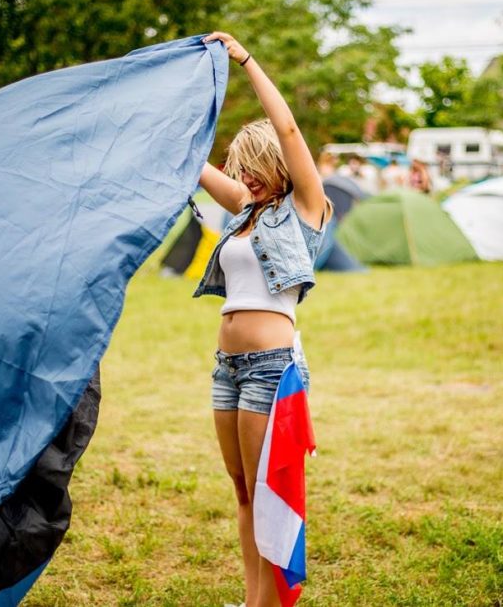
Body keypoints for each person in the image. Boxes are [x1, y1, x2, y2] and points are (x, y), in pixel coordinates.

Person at [195, 32, 331, 607]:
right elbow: (190, 166)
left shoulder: (304, 210)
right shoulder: (244, 211)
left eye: (255, 169)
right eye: (239, 170)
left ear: (276, 165)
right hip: (226, 367)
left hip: (271, 369)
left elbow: (289, 129)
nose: (245, 179)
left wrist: (245, 60)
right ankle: (253, 601)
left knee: (266, 491)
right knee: (243, 492)